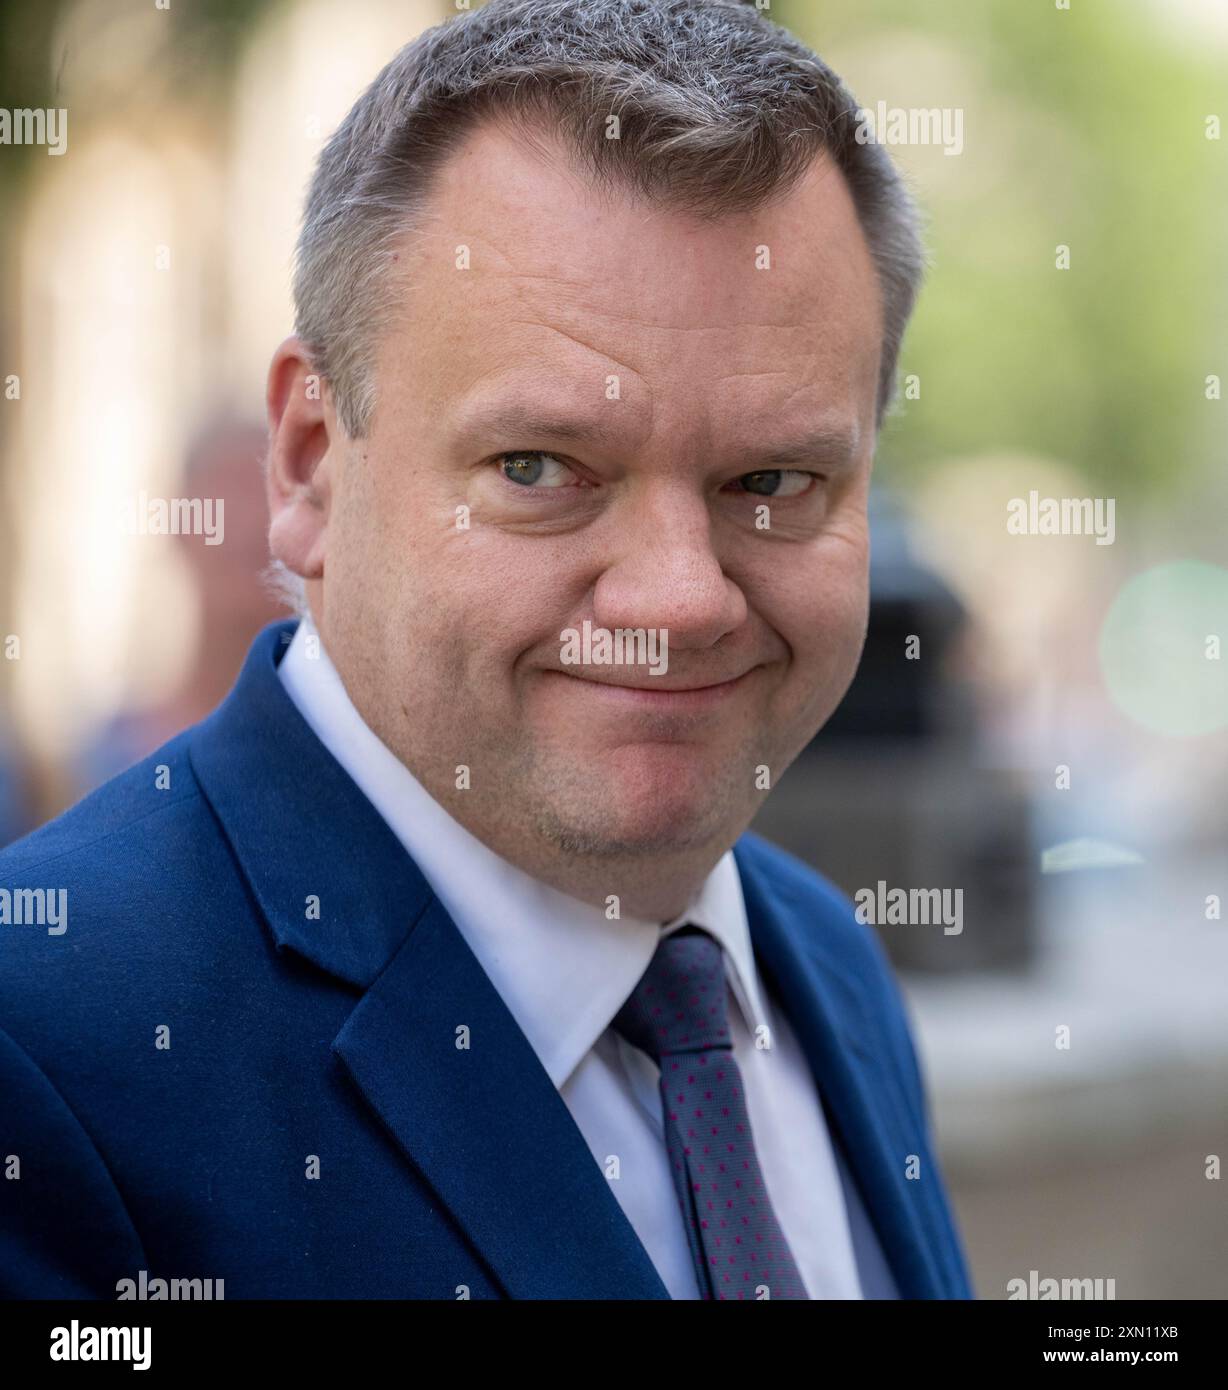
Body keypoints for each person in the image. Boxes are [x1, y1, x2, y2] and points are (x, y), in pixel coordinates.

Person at [0, 0, 972, 1300]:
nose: (680, 597)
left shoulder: (821, 963)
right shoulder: (47, 1044)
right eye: (541, 466)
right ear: (308, 460)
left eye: (774, 479)